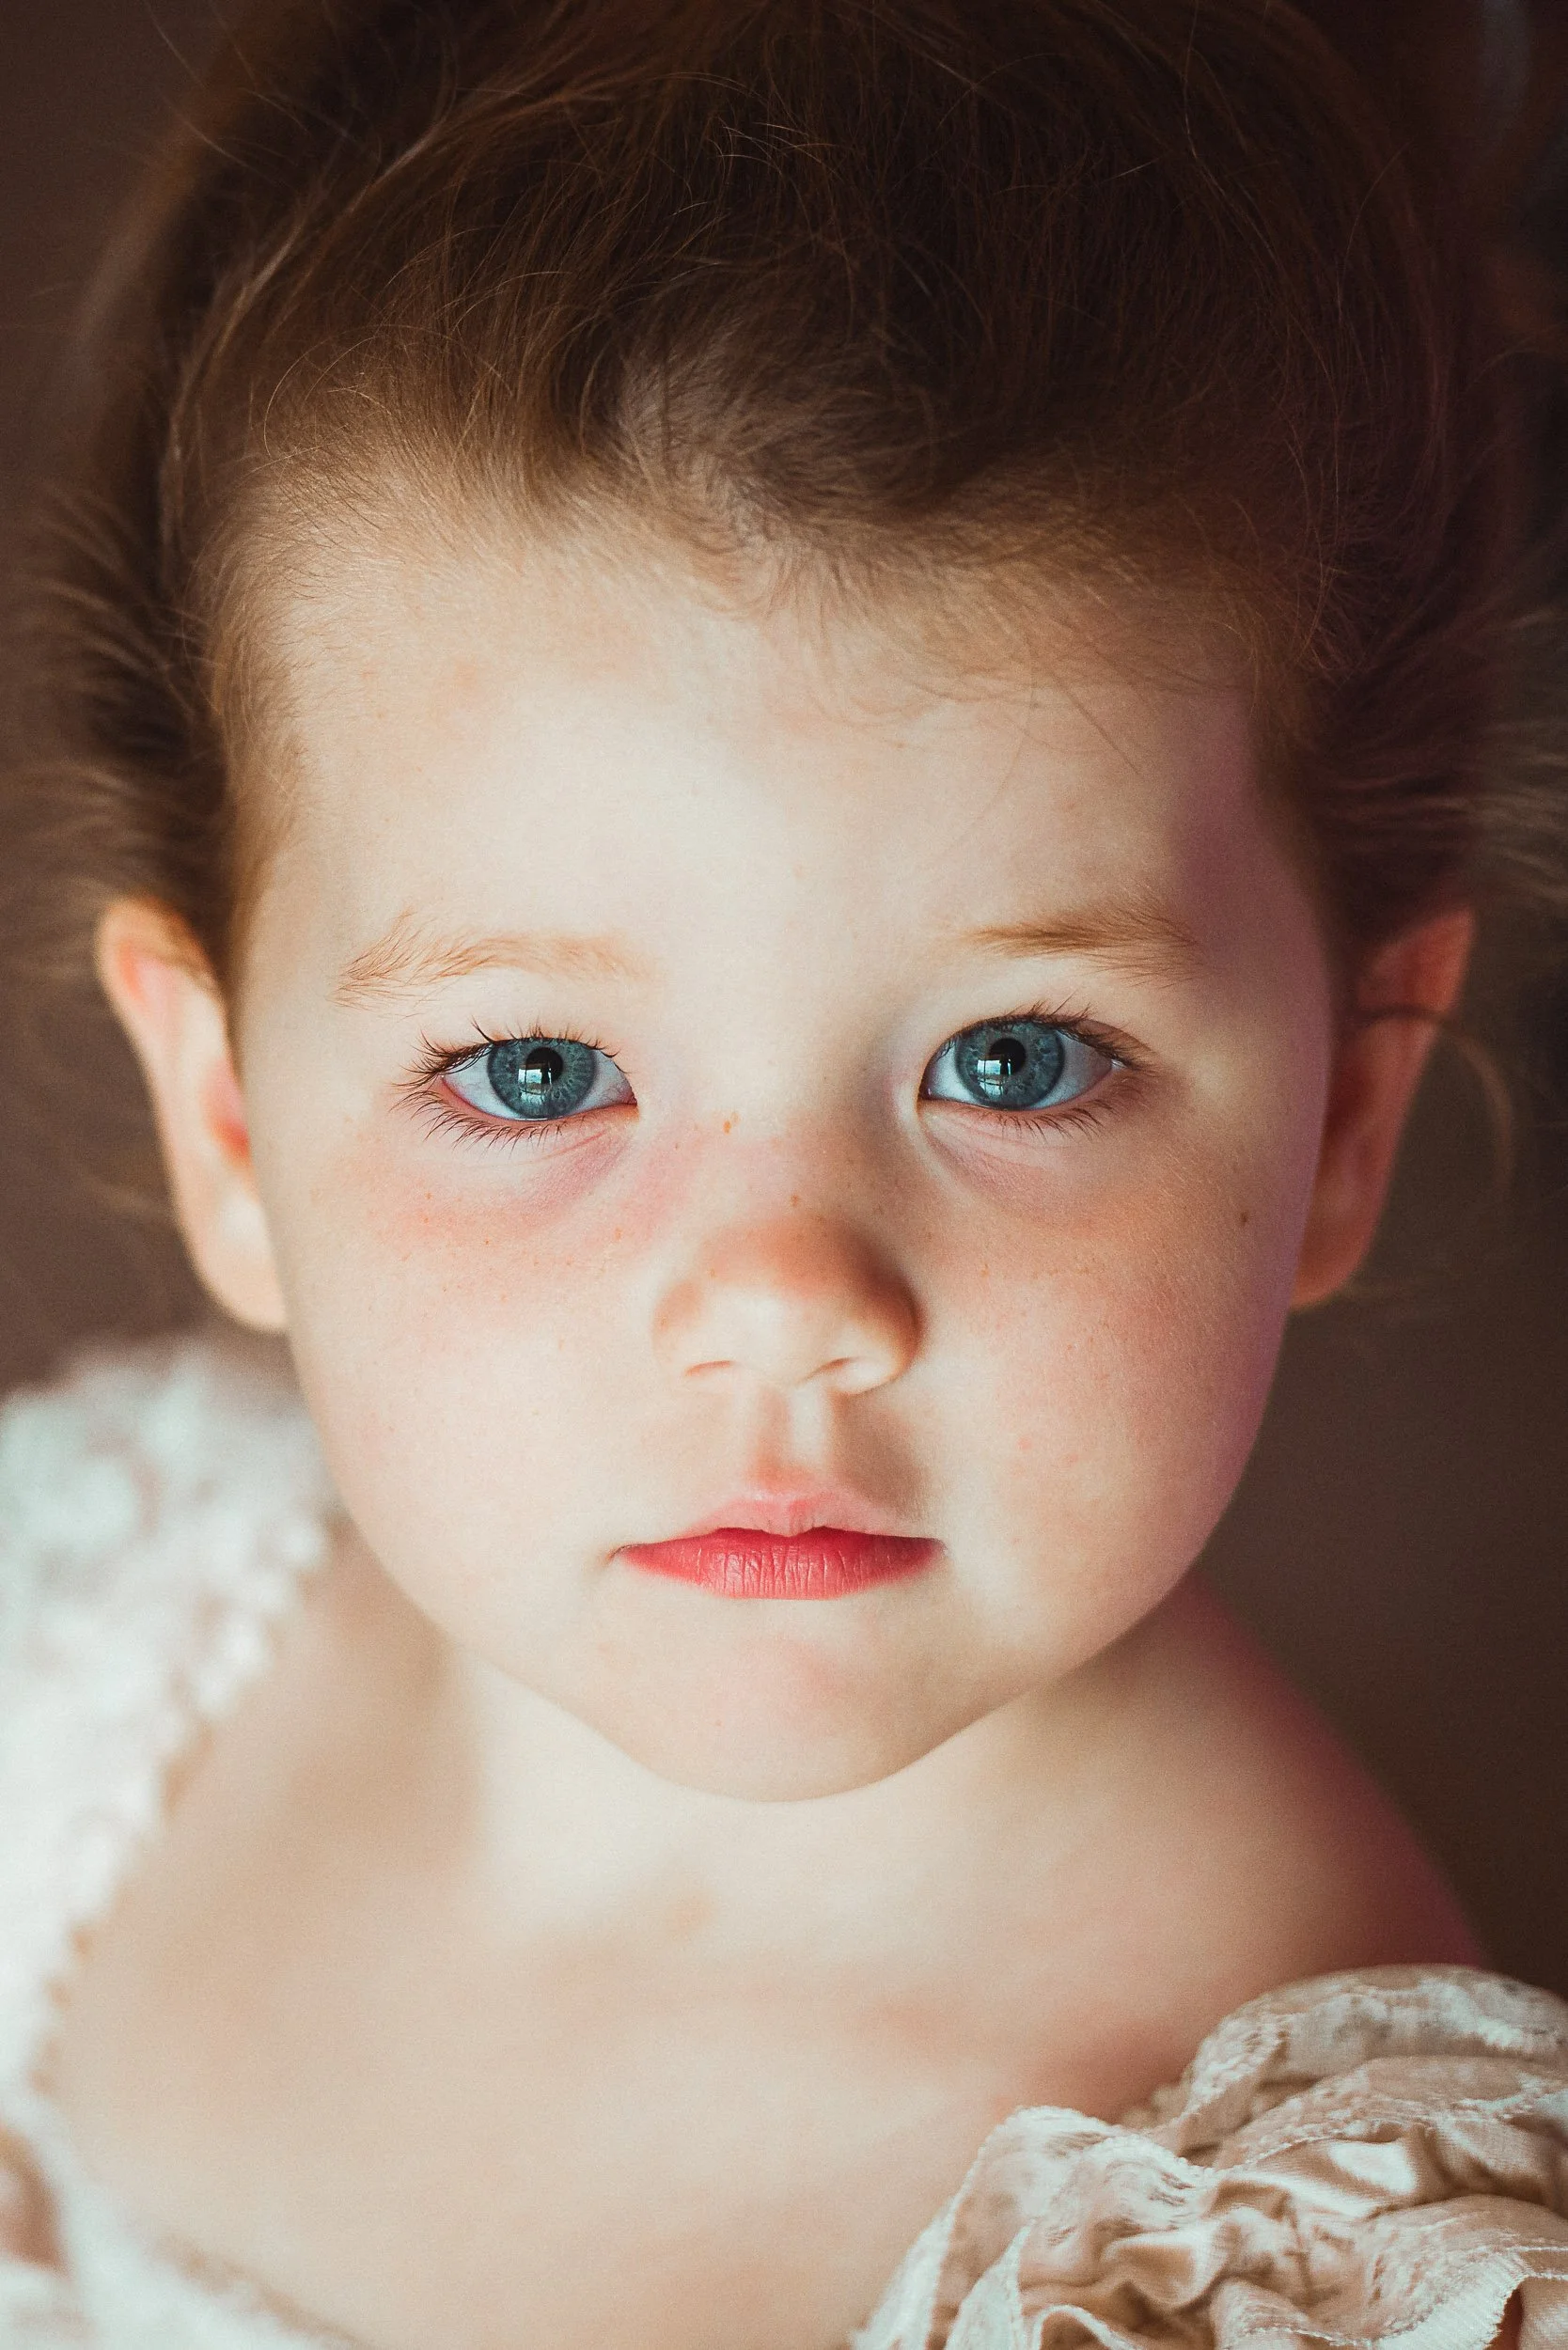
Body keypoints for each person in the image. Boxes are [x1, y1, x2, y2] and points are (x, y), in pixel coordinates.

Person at [4, 0, 1568, 2343]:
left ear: (1346, 1108)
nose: (784, 1289)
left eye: (1014, 1058)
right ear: (224, 1119)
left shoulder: (1272, 2260)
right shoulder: (94, 1635)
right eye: (536, 1070)